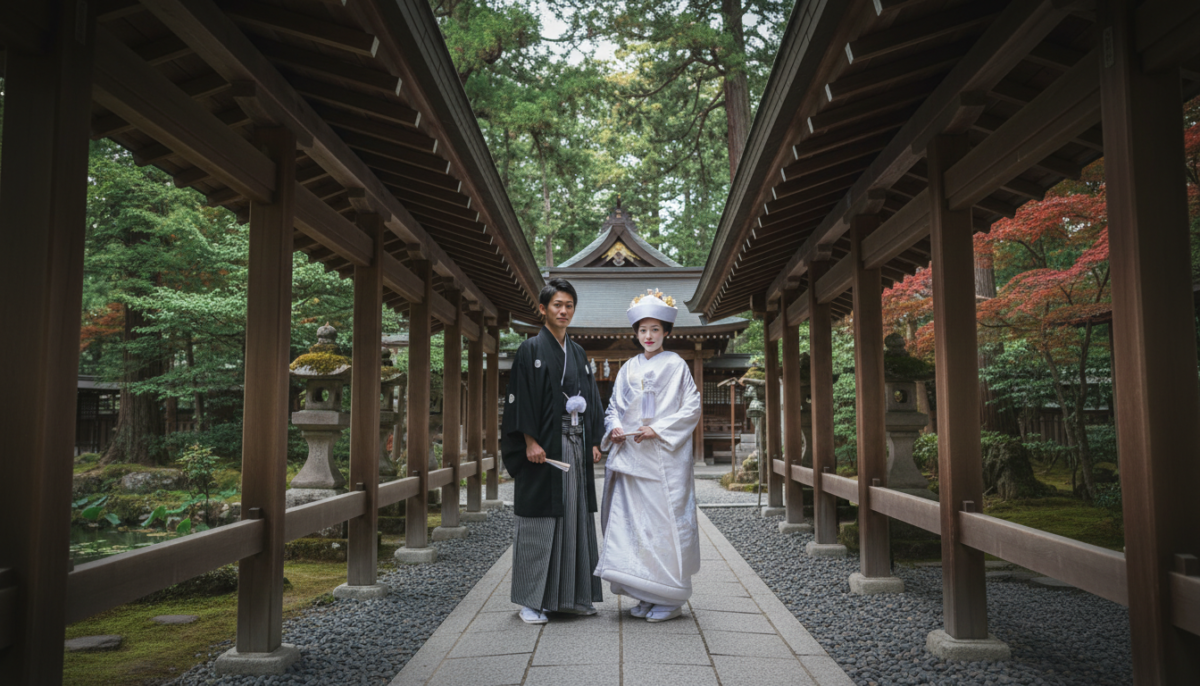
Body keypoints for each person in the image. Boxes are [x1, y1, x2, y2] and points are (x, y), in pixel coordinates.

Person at [500, 278, 605, 624]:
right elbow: (521, 397)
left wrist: (592, 439)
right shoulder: (531, 349)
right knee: (540, 520)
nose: (563, 311)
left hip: (574, 444)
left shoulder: (577, 352)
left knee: (574, 517)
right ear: (543, 309)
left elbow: (590, 396)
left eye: (569, 306)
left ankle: (570, 598)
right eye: (557, 305)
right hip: (544, 445)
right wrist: (529, 441)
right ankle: (530, 601)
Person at [595, 289, 702, 623]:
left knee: (660, 525)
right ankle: (644, 592)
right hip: (630, 456)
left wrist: (659, 429)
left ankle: (669, 597)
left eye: (655, 329)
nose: (648, 336)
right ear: (636, 334)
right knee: (633, 526)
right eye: (643, 330)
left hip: (662, 461)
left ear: (666, 332)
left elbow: (692, 407)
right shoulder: (627, 367)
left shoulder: (677, 365)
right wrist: (613, 427)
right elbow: (613, 407)